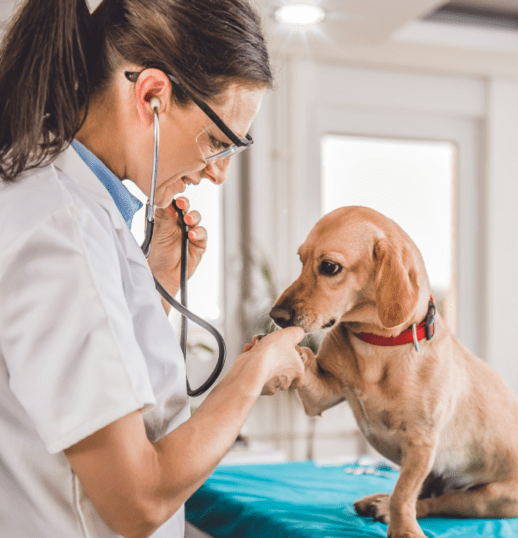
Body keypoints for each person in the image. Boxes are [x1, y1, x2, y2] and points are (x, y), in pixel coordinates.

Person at [0, 1, 305, 537]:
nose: (218, 174)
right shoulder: (61, 230)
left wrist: (156, 283)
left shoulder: (72, 206)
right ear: (152, 97)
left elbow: (85, 375)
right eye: (217, 142)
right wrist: (253, 374)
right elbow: (135, 500)